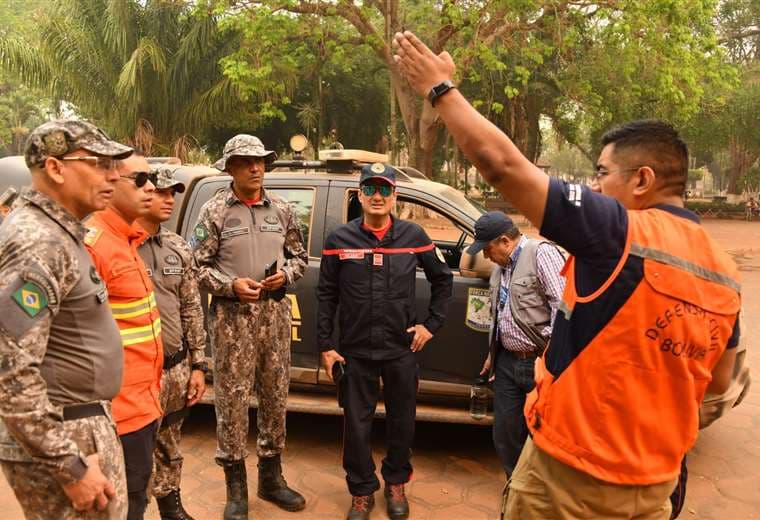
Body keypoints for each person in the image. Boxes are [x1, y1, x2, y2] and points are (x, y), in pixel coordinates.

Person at [393, 33, 741, 519]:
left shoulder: (619, 232)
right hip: (655, 486)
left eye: (602, 174)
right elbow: (719, 381)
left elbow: (502, 167)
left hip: (570, 480)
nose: (595, 186)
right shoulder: (724, 274)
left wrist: (439, 89)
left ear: (641, 179)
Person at [0, 120, 132, 518]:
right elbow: (10, 368)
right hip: (67, 436)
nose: (114, 175)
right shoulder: (38, 241)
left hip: (79, 427)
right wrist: (70, 466)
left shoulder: (58, 233)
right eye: (99, 163)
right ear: (56, 169)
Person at [317, 163, 453, 520]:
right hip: (355, 352)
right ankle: (361, 490)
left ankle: (396, 482)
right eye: (370, 189)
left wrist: (430, 326)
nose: (377, 197)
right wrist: (327, 346)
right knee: (357, 426)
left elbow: (443, 281)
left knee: (402, 422)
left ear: (395, 196)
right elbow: (327, 294)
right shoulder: (338, 241)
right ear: (360, 195)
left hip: (400, 349)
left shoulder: (415, 236)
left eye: (384, 190)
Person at [192, 134, 308, 519]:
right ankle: (236, 487)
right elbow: (196, 267)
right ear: (230, 168)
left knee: (276, 397)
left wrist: (287, 275)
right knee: (232, 401)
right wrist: (230, 286)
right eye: (245, 162)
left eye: (259, 161)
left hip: (275, 318)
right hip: (231, 322)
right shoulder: (214, 212)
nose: (255, 168)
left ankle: (271, 478)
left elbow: (299, 256)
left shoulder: (281, 208)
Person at [85, 153, 163, 520]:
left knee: (136, 498)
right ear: (110, 181)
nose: (150, 188)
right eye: (140, 179)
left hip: (144, 404)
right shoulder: (93, 246)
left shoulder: (129, 241)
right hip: (117, 414)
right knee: (124, 505)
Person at [470, 212, 565, 481]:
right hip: (507, 363)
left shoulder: (541, 254)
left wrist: (550, 357)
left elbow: (564, 308)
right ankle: (517, 486)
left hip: (539, 362)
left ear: (504, 241)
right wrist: (493, 354)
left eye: (487, 249)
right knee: (505, 433)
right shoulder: (502, 267)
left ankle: (542, 492)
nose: (486, 257)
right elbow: (500, 313)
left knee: (543, 434)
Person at [136, 166, 208, 520]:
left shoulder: (178, 247)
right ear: (142, 193)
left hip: (175, 366)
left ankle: (171, 504)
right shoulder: (121, 246)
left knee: (170, 440)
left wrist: (197, 365)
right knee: (133, 446)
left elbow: (192, 307)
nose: (168, 200)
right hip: (135, 372)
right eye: (161, 192)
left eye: (172, 194)